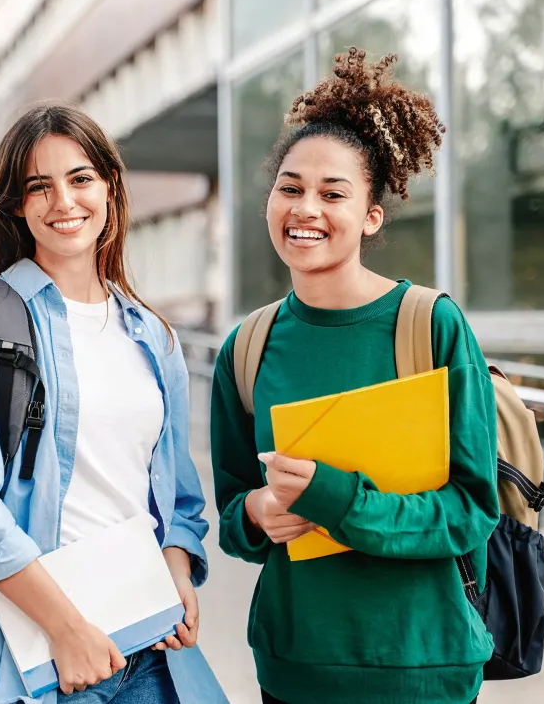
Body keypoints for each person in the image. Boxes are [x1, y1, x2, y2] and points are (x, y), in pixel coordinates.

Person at [209, 49, 499, 704]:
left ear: (371, 215)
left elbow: (472, 510)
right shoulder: (247, 347)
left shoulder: (431, 326)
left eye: (333, 192)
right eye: (290, 187)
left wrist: (339, 500)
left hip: (423, 668)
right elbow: (232, 513)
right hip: (295, 669)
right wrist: (256, 512)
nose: (306, 207)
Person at [0, 103, 225, 704]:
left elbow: (176, 493)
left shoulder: (151, 334)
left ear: (109, 187)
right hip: (47, 661)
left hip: (157, 650)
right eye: (39, 186)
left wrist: (179, 569)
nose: (63, 202)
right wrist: (66, 628)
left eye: (80, 178)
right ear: (16, 205)